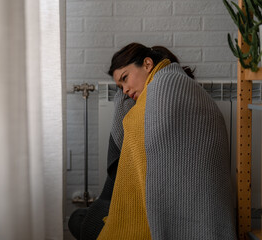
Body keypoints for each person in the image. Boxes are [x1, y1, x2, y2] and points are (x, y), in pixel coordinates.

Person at [69, 42, 237, 239]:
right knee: (81, 218)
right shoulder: (171, 87)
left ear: (148, 64)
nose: (124, 90)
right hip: (205, 215)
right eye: (120, 87)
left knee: (79, 220)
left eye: (125, 78)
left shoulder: (166, 84)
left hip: (180, 216)